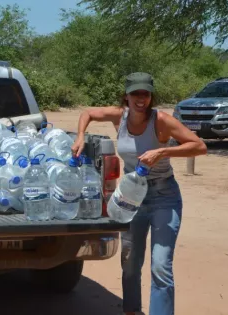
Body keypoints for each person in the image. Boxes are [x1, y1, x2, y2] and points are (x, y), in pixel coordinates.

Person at [71, 72, 207, 315]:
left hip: (164, 196)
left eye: (145, 93)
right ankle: (131, 310)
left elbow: (199, 146)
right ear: (127, 95)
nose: (141, 98)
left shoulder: (161, 121)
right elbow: (88, 113)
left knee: (160, 266)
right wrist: (80, 135)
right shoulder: (119, 117)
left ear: (151, 96)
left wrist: (162, 152)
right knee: (130, 261)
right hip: (131, 198)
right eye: (136, 93)